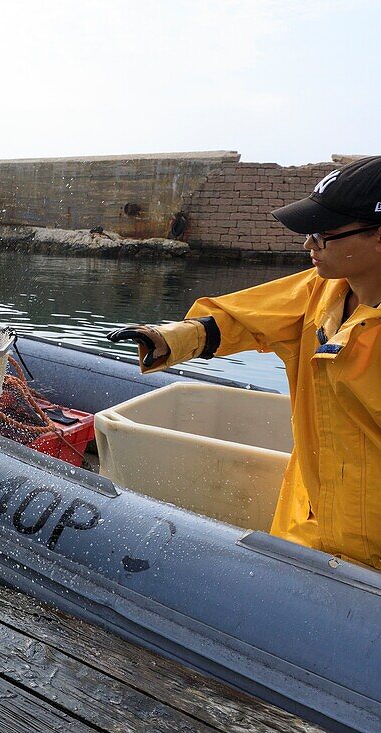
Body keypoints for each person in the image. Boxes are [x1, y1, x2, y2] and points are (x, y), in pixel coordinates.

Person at [108, 155, 381, 570]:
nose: (309, 246)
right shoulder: (321, 292)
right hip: (307, 521)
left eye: (323, 235)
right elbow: (242, 318)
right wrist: (167, 338)